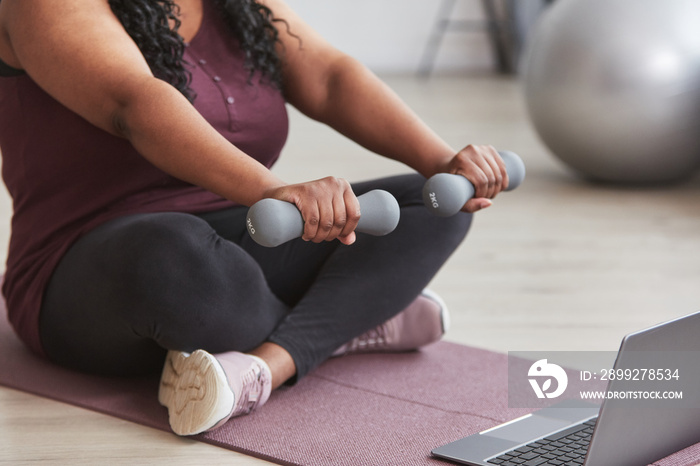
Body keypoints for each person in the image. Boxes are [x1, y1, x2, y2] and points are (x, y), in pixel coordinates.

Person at [0, 0, 509, 436]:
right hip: (90, 267)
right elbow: (134, 103)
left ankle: (269, 364)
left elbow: (330, 79)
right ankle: (356, 316)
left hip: (244, 234)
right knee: (177, 257)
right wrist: (274, 190)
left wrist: (442, 162)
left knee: (433, 204)